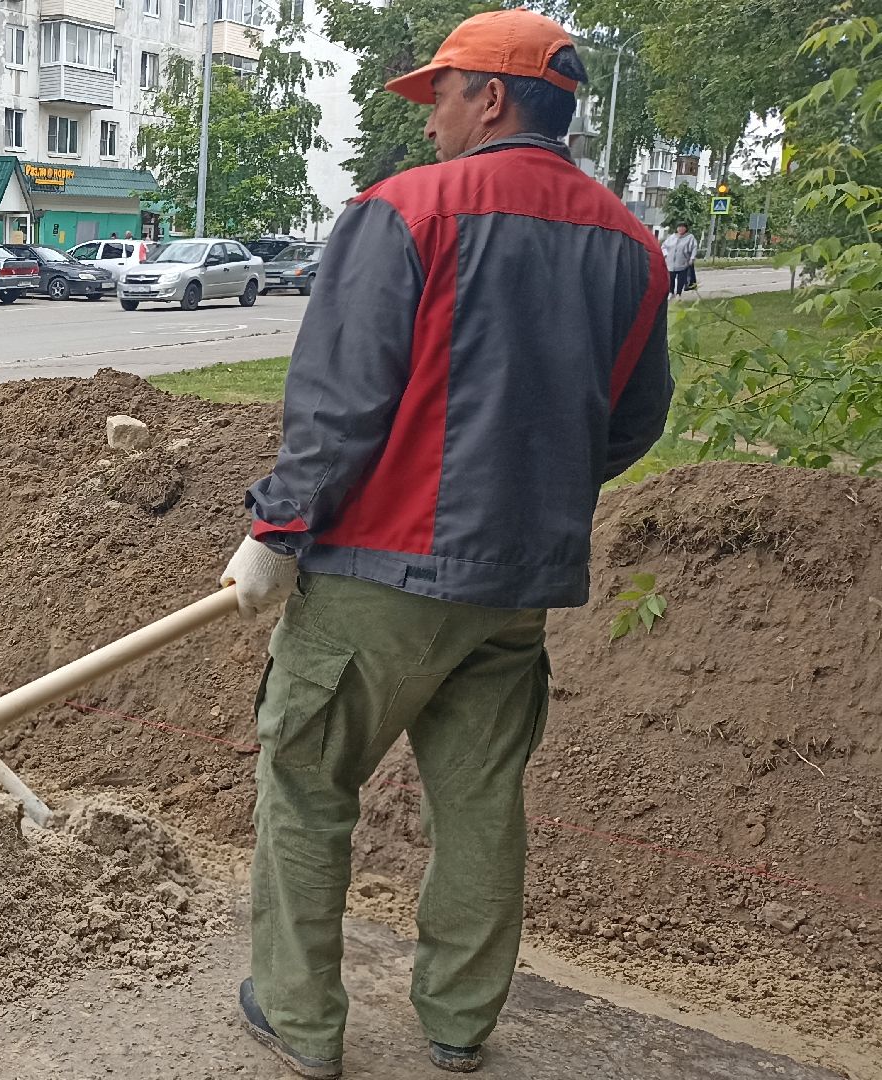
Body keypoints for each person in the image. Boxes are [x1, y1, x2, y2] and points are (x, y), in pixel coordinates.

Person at [219, 10, 671, 1078]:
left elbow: (338, 404)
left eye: (441, 98)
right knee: (479, 805)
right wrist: (536, 490)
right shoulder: (632, 244)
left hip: (381, 575)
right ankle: (461, 1024)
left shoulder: (403, 211)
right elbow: (635, 420)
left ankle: (299, 1018)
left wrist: (278, 528)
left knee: (305, 781)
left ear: (495, 98)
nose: (428, 123)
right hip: (516, 586)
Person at [662, 222, 698, 296]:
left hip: (683, 261)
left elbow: (694, 248)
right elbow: (664, 246)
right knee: (671, 278)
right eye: (679, 227)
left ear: (686, 228)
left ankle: (679, 293)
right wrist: (665, 254)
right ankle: (671, 292)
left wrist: (692, 258)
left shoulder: (690, 237)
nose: (681, 229)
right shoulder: (672, 237)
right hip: (670, 262)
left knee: (681, 279)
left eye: (683, 227)